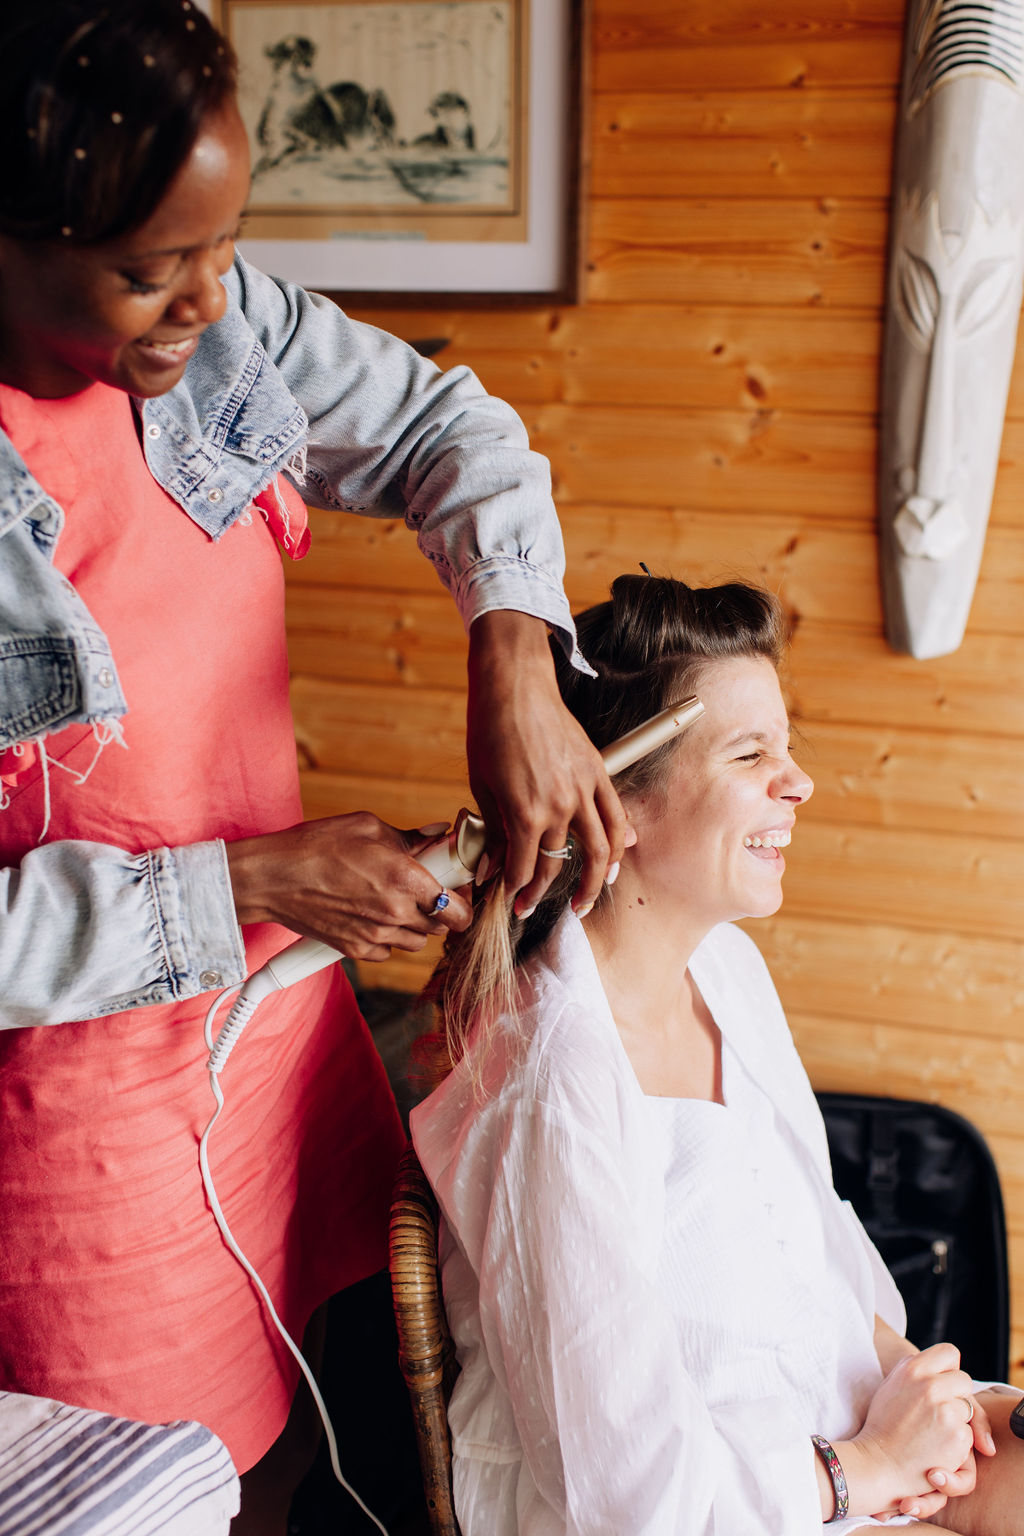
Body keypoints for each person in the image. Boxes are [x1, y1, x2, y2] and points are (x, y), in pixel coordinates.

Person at [0, 3, 626, 1532]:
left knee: (288, 1446)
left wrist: (513, 656)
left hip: (263, 1057)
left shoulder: (217, 332)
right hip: (67, 1157)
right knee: (161, 1489)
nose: (211, 303)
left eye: (226, 246)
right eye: (152, 269)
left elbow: (448, 427)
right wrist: (260, 879)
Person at [411, 572, 1024, 1535]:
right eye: (751, 754)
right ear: (620, 811)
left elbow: (812, 1247)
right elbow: (629, 1494)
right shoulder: (552, 1079)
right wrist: (861, 1471)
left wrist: (933, 1400)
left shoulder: (729, 973)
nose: (799, 782)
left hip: (829, 1437)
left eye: (787, 747)